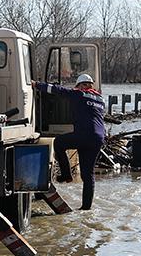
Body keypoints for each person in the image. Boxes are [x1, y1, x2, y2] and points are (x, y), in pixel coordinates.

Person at [33, 73, 106, 210]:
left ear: (82, 85)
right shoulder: (100, 99)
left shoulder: (79, 94)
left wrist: (37, 85)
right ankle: (86, 208)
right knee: (88, 175)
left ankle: (66, 175)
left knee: (59, 143)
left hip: (84, 135)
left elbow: (57, 90)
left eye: (78, 86)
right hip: (98, 138)